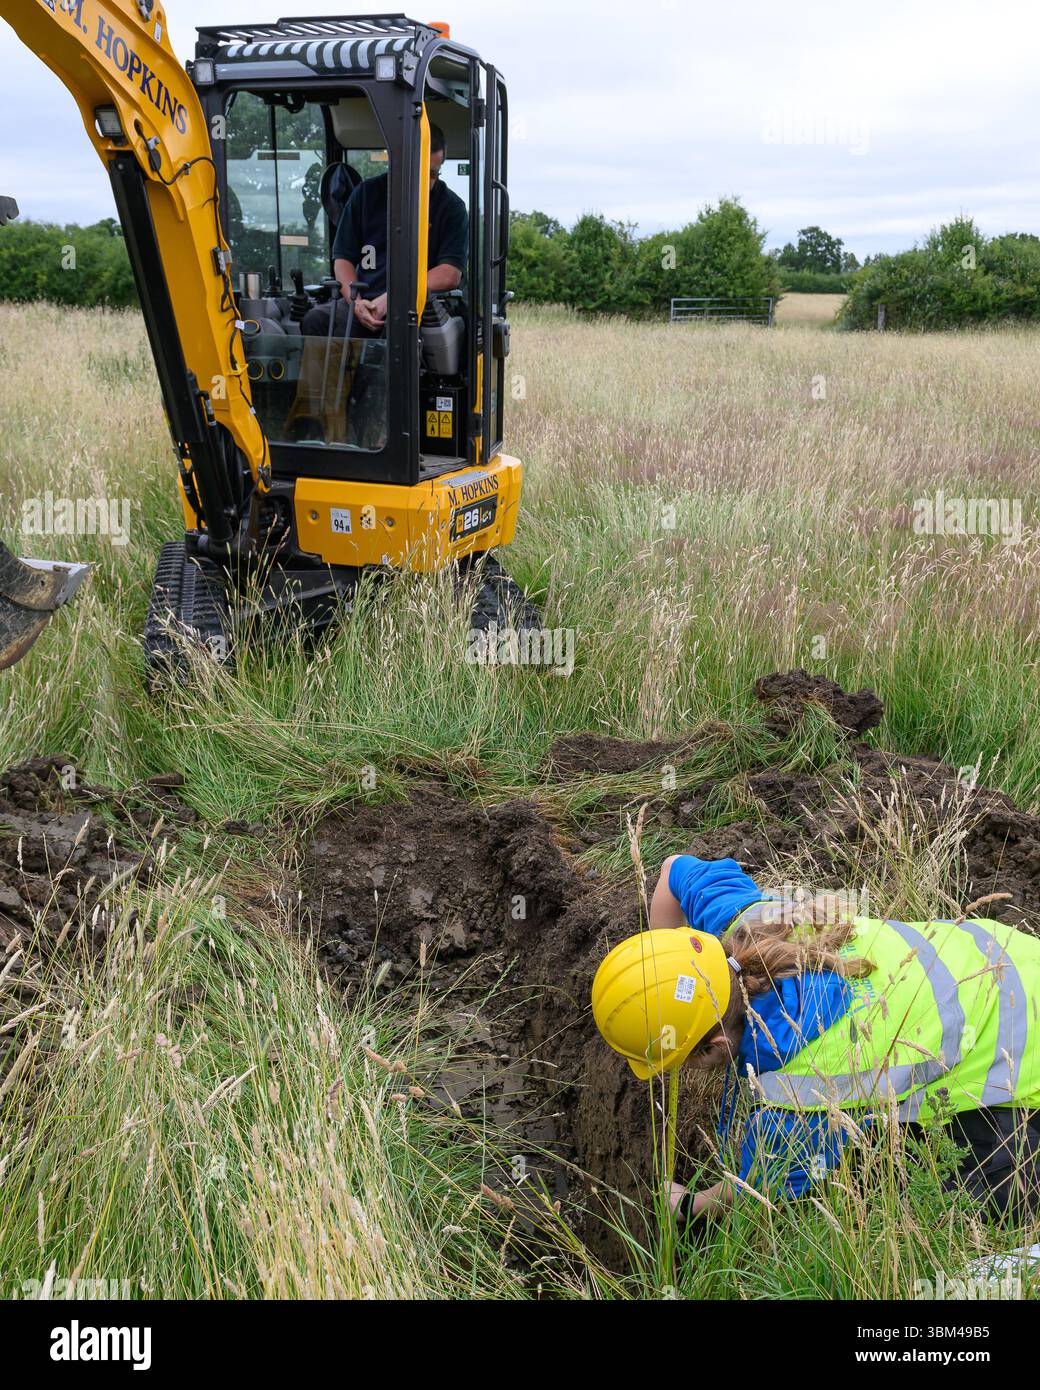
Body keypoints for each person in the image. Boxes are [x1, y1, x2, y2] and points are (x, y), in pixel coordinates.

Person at [591, 853, 1040, 1224]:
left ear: (718, 1047)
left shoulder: (800, 1087)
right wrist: (661, 973)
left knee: (953, 1199)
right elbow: (673, 871)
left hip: (1025, 1058)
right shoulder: (749, 921)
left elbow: (756, 1190)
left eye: (681, 1060)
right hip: (1008, 956)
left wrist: (686, 1203)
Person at [301, 122, 468, 339]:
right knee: (317, 320)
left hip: (419, 305)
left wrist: (393, 299)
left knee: (399, 333)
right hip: (364, 300)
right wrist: (357, 303)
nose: (427, 183)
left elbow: (450, 274)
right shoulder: (366, 194)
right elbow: (343, 259)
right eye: (419, 173)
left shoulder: (452, 207)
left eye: (434, 173)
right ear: (398, 162)